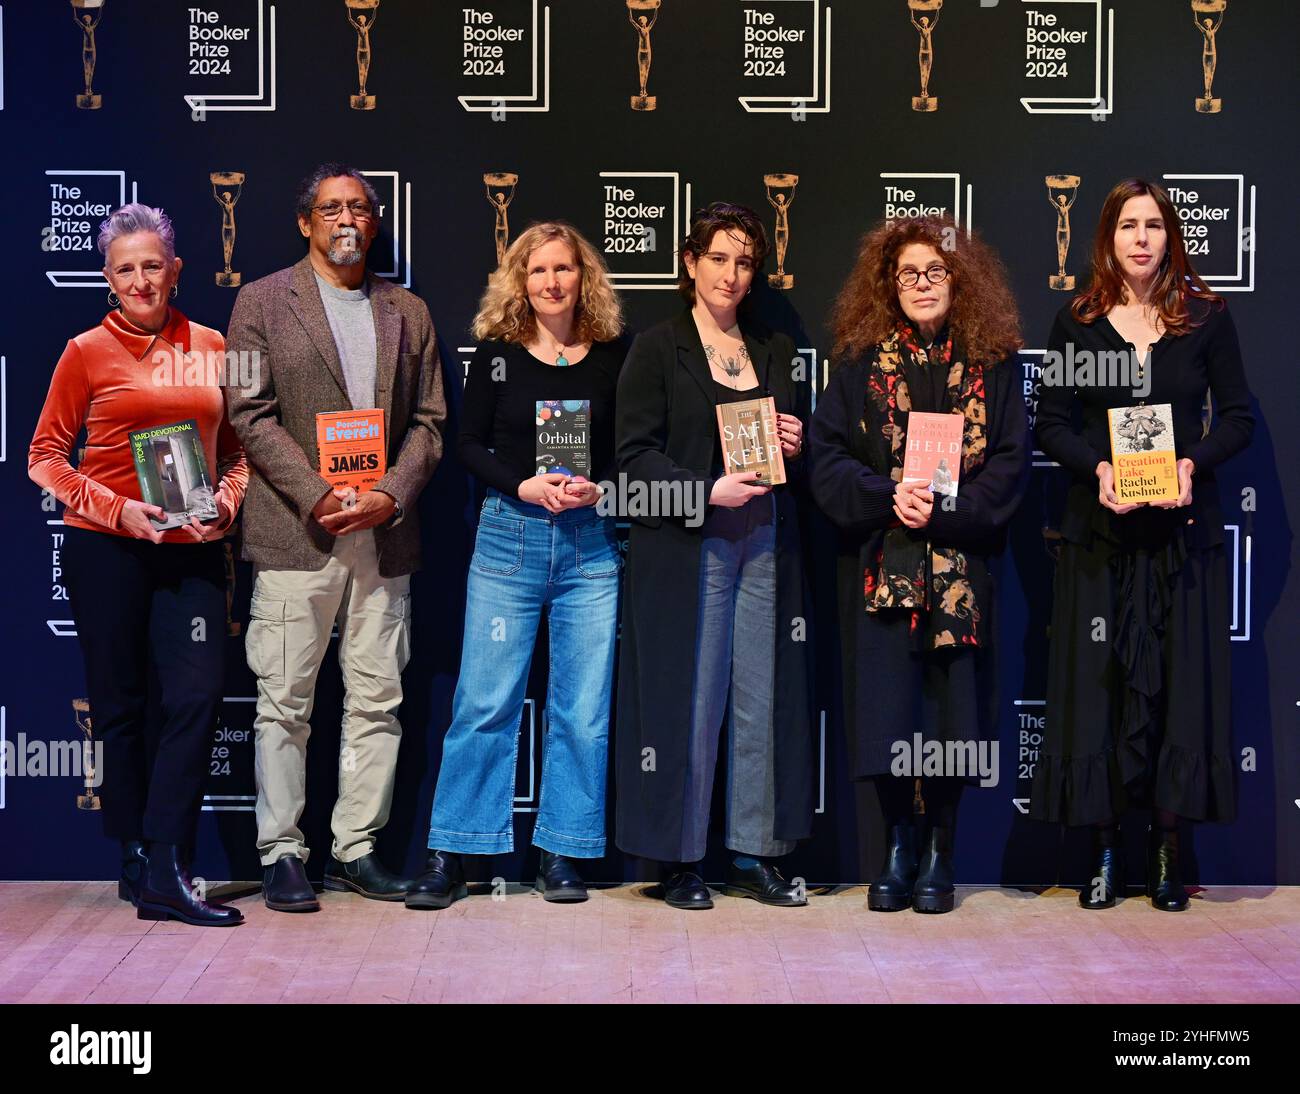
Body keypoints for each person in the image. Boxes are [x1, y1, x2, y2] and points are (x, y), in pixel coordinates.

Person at [225, 163, 447, 912]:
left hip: (384, 536)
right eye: (330, 208)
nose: (346, 218)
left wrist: (388, 494)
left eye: (358, 206)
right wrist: (319, 496)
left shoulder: (408, 311)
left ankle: (357, 849)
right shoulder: (259, 302)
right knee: (284, 702)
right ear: (305, 222)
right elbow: (248, 413)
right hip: (298, 533)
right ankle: (283, 851)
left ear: (374, 221)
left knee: (377, 699)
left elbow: (431, 422)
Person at [1029, 178, 1254, 911]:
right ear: (1108, 238)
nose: (1141, 238)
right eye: (1129, 225)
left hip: (1180, 542)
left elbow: (1239, 419)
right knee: (1098, 697)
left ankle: (1165, 852)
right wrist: (1096, 469)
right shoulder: (1077, 322)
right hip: (1100, 538)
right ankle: (1101, 853)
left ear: (1170, 237)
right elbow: (1051, 424)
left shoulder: (1206, 319)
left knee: (1179, 696)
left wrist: (1193, 463)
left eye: (1154, 225)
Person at [29, 203, 249, 926]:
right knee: (120, 706)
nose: (141, 280)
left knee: (195, 694)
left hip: (192, 549)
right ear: (108, 278)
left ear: (175, 269)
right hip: (108, 549)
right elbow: (43, 458)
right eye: (126, 269)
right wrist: (113, 509)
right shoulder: (84, 350)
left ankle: (164, 860)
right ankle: (136, 858)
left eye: (152, 265)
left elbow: (240, 453)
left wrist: (227, 499)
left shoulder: (214, 344)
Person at [809, 216, 1028, 914]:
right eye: (909, 272)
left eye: (936, 271)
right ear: (888, 283)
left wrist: (943, 510)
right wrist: (886, 495)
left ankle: (941, 849)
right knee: (888, 712)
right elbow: (826, 458)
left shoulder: (994, 363)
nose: (923, 284)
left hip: (962, 569)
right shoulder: (857, 363)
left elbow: (1010, 466)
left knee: (953, 714)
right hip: (883, 564)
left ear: (959, 280)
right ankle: (898, 846)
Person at [406, 223, 626, 910]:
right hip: (510, 539)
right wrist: (523, 485)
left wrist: (603, 487)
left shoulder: (614, 356)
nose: (552, 283)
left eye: (564, 269)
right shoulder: (498, 354)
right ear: (519, 282)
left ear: (582, 276)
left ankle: (561, 852)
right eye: (538, 272)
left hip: (591, 545)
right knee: (483, 703)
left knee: (582, 711)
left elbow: (629, 448)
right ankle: (452, 851)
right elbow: (466, 445)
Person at [614, 202, 813, 910]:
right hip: (689, 547)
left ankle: (754, 853)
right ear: (690, 264)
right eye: (719, 258)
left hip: (763, 542)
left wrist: (793, 440)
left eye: (744, 262)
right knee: (692, 704)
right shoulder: (657, 347)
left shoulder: (773, 351)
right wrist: (706, 491)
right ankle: (680, 859)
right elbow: (633, 461)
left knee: (760, 701)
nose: (731, 274)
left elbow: (787, 448)